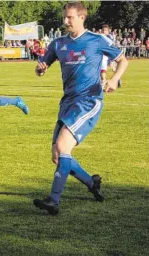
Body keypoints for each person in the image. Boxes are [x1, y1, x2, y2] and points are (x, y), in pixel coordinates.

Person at [33, 2, 128, 215]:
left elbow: (122, 60)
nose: (65, 21)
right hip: (67, 102)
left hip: (88, 101)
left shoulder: (96, 40)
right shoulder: (58, 44)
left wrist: (114, 80)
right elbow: (42, 67)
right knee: (57, 156)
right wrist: (40, 69)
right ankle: (91, 183)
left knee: (62, 145)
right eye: (64, 17)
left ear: (82, 18)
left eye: (70, 18)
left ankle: (53, 200)